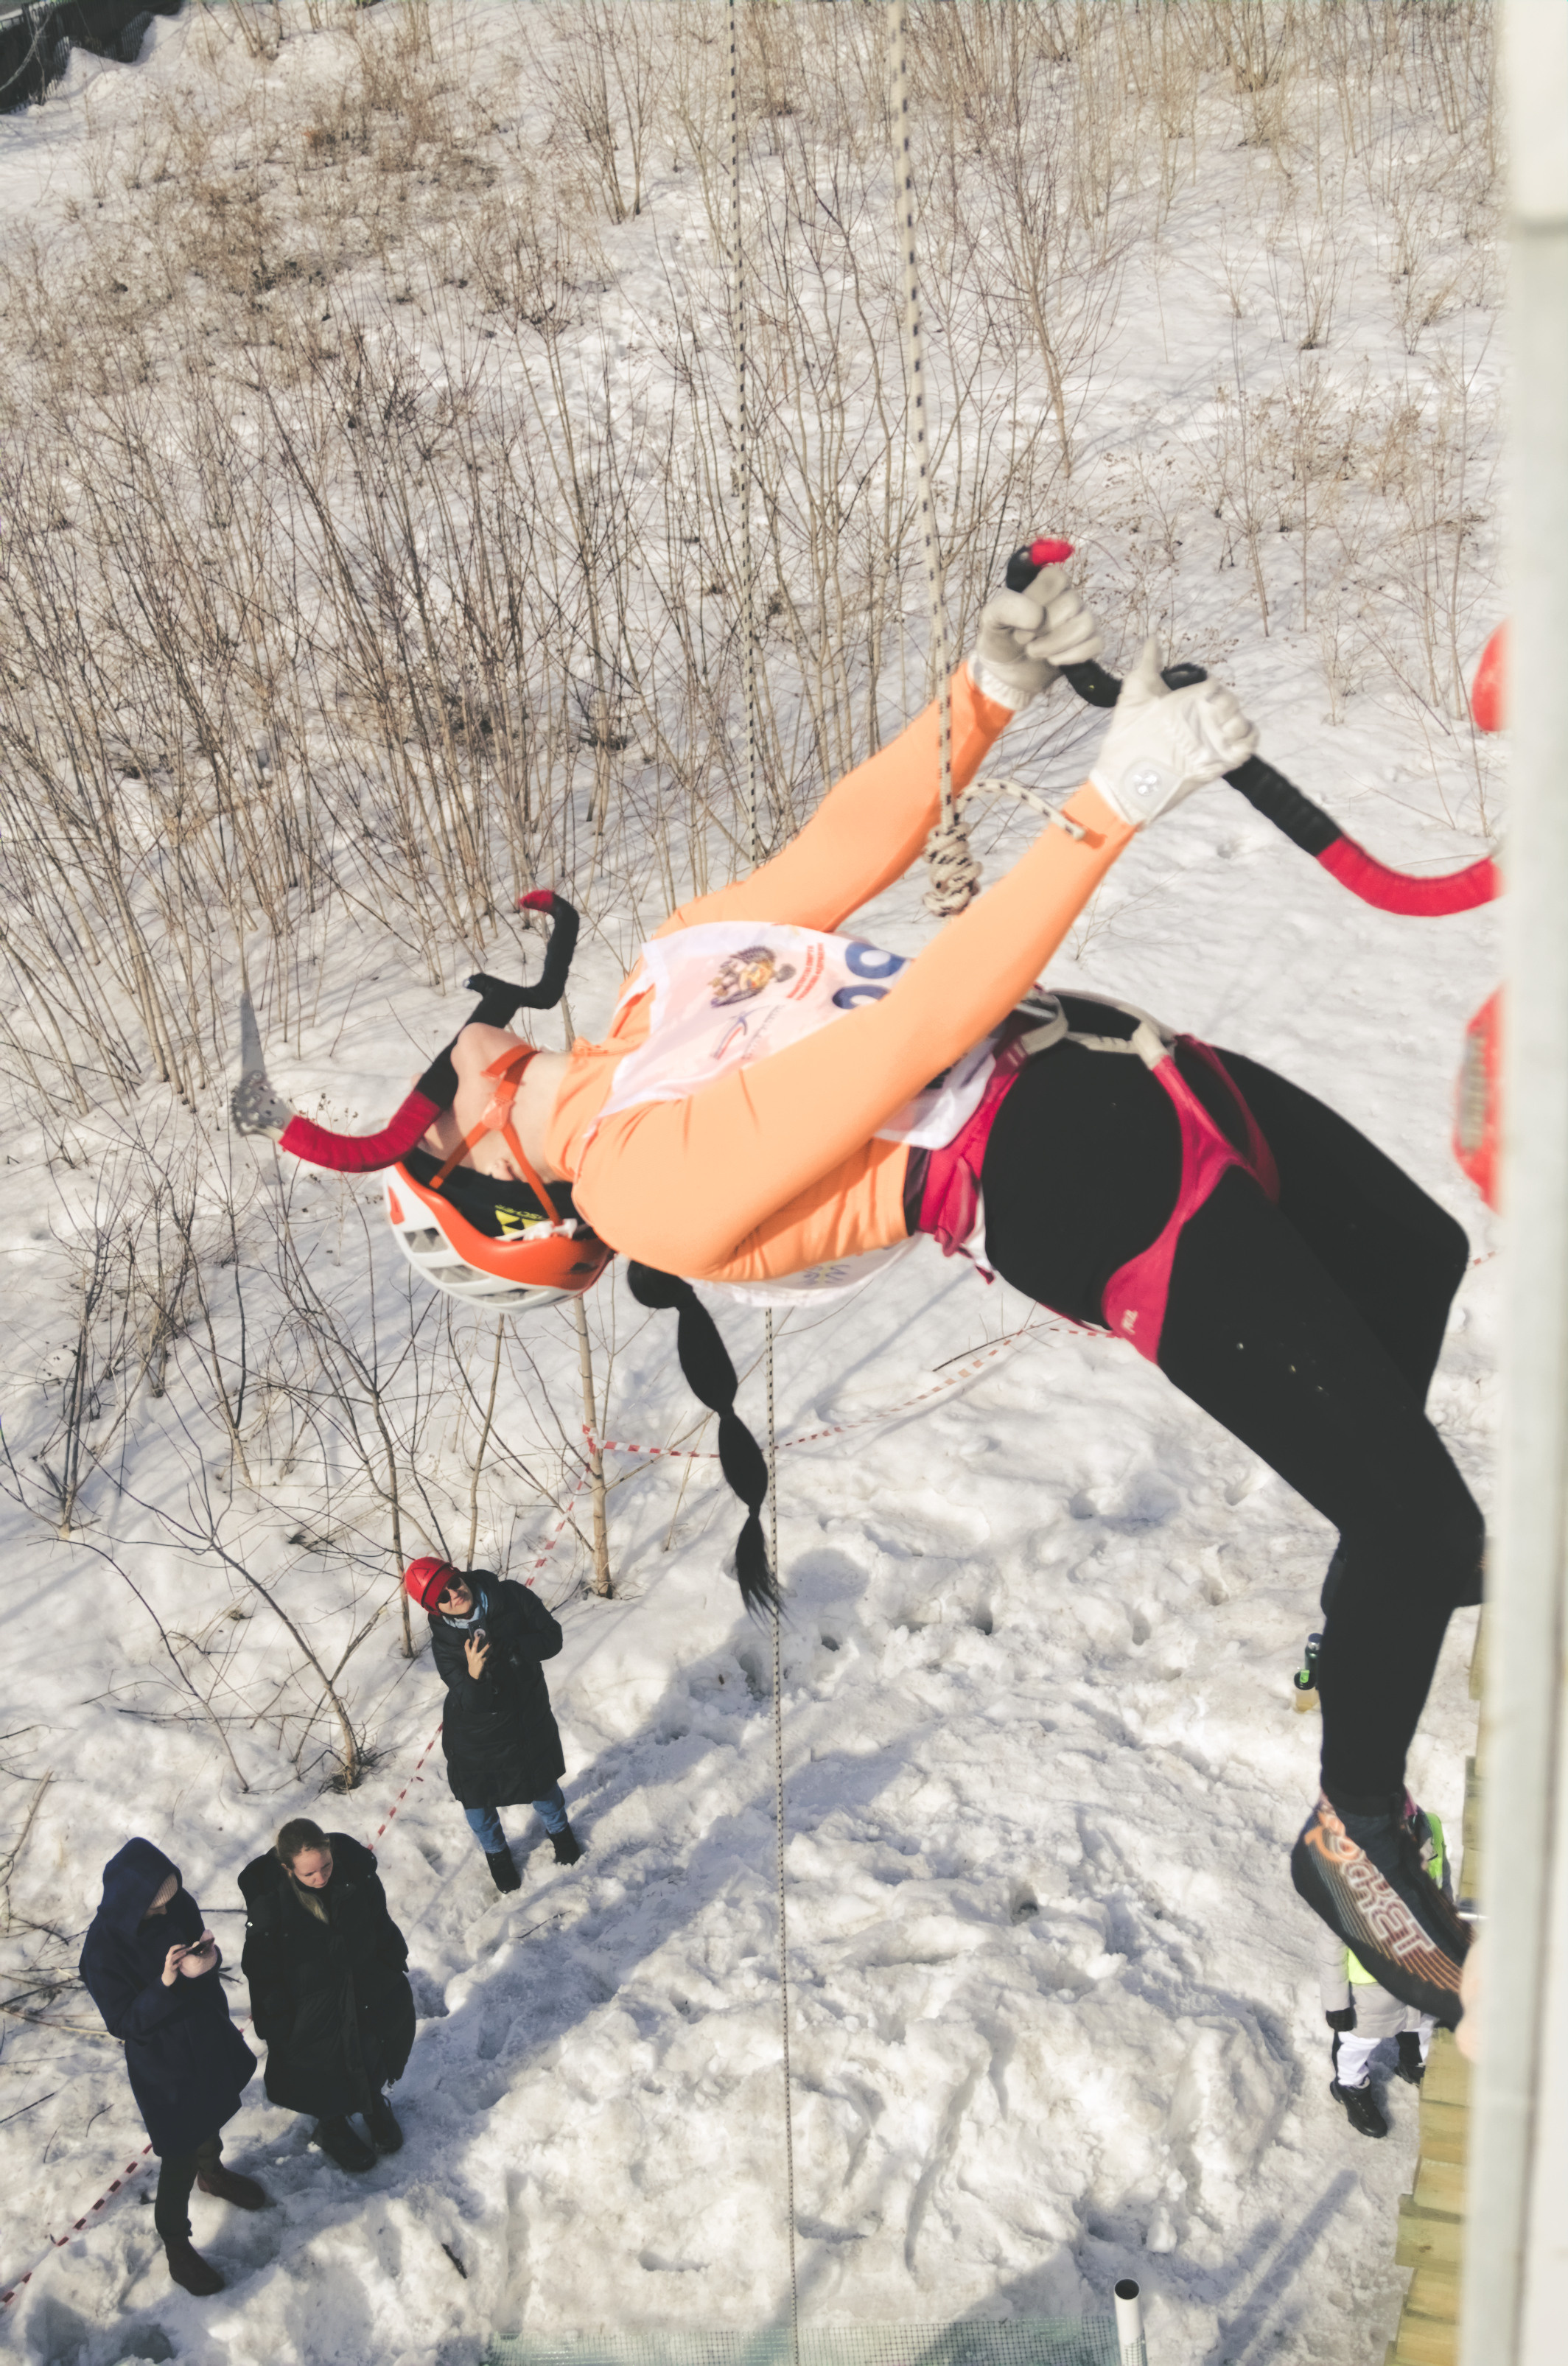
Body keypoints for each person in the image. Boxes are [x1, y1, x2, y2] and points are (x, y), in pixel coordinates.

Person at [277, 568, 1478, 2024]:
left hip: (1127, 1064)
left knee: (1417, 1262)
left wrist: (981, 694)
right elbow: (911, 1032)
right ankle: (1350, 1814)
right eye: (424, 1127)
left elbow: (838, 846)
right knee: (1426, 1526)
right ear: (500, 1203)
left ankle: (1377, 1584)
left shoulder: (654, 1001)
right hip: (1073, 1185)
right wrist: (1108, 804)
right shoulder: (641, 1187)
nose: (434, 1069)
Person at [79, 1838, 265, 2297]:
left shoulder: (176, 1901)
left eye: (170, 1902)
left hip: (205, 2034)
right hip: (165, 2064)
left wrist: (208, 1961)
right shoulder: (101, 1954)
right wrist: (165, 1984)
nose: (167, 1913)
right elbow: (123, 2023)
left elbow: (198, 1943)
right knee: (178, 2152)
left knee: (215, 2111)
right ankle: (177, 2245)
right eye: (155, 1908)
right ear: (131, 1903)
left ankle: (214, 2172)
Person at [238, 1819, 416, 2174]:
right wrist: (275, 2019)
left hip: (364, 1985)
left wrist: (391, 1958)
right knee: (323, 2069)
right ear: (288, 1869)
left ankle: (373, 2105)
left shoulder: (357, 1876)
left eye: (327, 1866)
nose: (321, 1878)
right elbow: (262, 1968)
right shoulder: (271, 1906)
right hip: (311, 2004)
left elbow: (379, 1920)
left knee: (370, 2047)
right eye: (310, 1874)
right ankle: (332, 2125)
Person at [404, 1556, 582, 1891]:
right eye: (443, 1597)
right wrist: (474, 1672)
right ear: (436, 1608)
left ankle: (562, 1835)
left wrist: (512, 1645)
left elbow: (552, 1638)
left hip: (527, 1714)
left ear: (460, 1575)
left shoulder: (511, 1596)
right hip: (475, 1734)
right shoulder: (445, 1643)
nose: (454, 1594)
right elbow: (472, 1703)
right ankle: (497, 1857)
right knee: (479, 1802)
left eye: (453, 1583)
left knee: (541, 1784)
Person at [1317, 1796, 1450, 2138]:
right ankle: (1350, 2086)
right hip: (1370, 1984)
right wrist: (1337, 2004)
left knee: (1421, 2024)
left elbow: (1442, 1889)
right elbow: (1332, 1943)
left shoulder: (1428, 1829)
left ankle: (1413, 2063)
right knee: (1358, 2042)